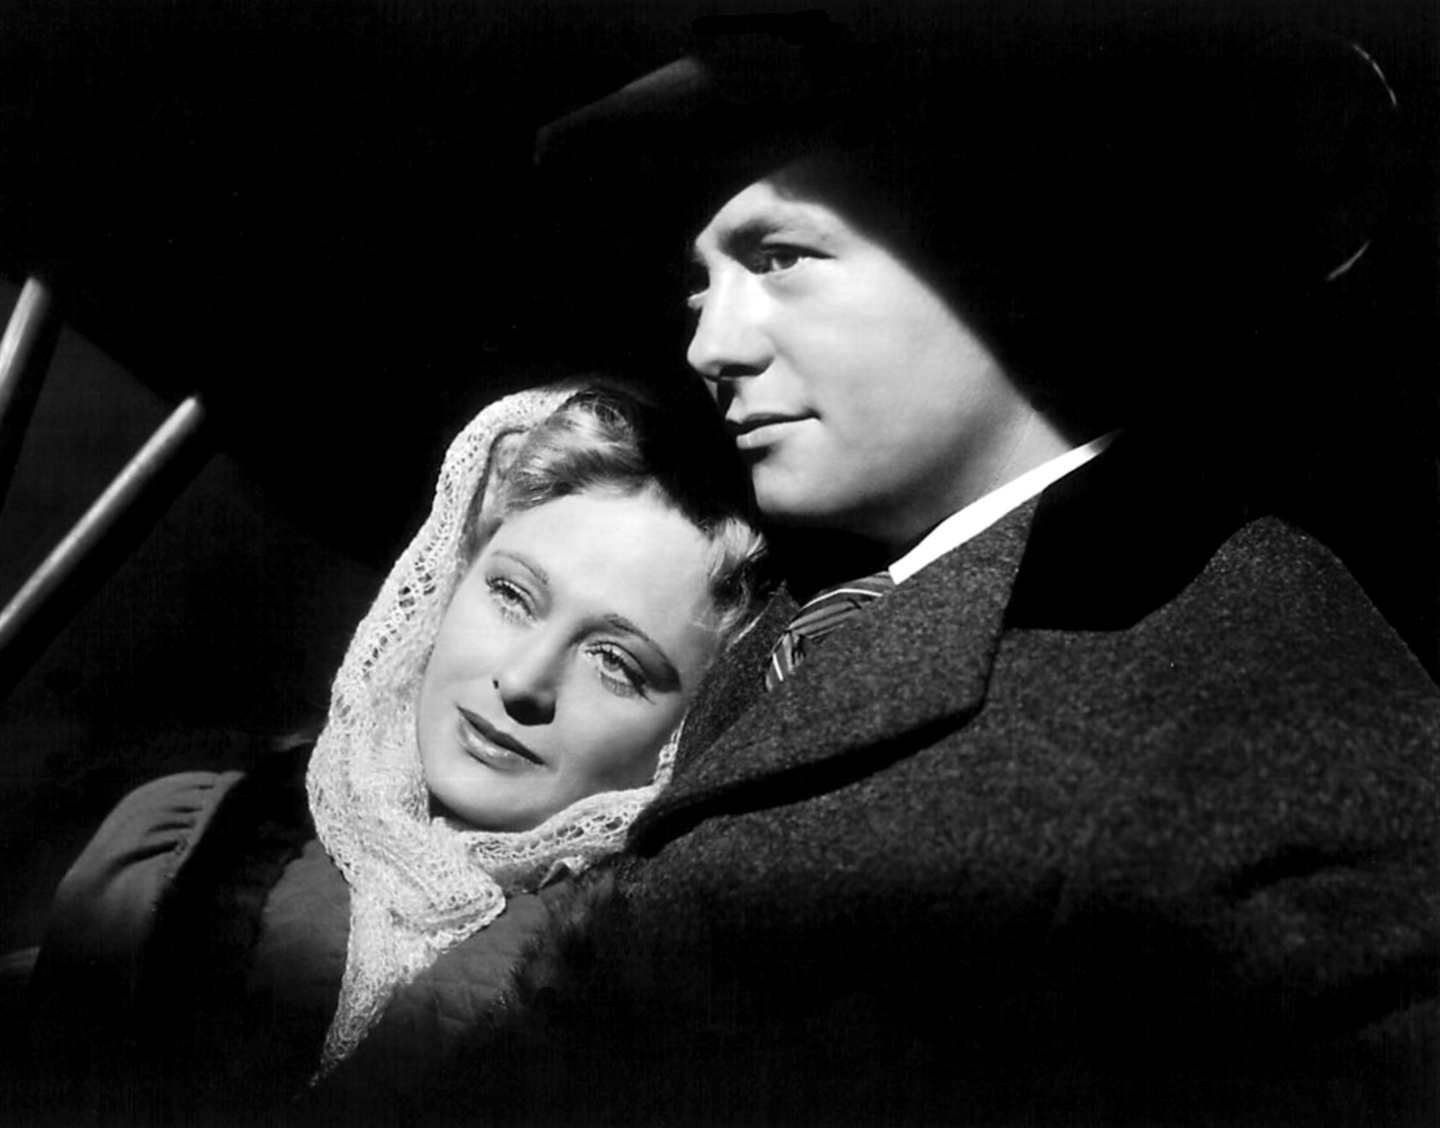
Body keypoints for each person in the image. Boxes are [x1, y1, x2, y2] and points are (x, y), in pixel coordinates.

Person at [303, 9, 1440, 1127]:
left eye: (780, 258)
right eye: (703, 283)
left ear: (1011, 248)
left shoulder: (1266, 709)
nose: (709, 344)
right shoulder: (820, 608)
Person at [24, 383, 768, 1124]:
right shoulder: (181, 843)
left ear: (688, 729)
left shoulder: (644, 994)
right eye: (512, 595)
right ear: (452, 577)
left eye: (616, 662)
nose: (522, 681)